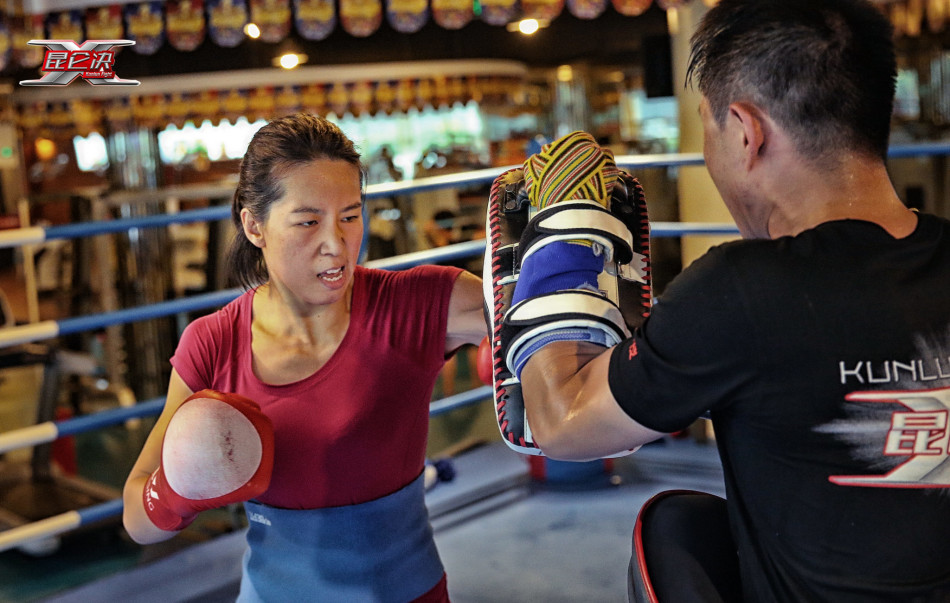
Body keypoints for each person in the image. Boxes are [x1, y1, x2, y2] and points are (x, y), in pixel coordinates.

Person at [503, 1, 950, 600]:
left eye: (709, 129)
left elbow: (563, 424)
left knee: (672, 533)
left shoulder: (742, 291)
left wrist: (558, 256)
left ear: (745, 131)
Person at [122, 113, 486, 602]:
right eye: (308, 221)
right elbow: (136, 518)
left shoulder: (419, 302)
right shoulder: (212, 342)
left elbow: (548, 323)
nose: (336, 245)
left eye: (351, 216)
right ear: (254, 225)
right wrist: (176, 492)